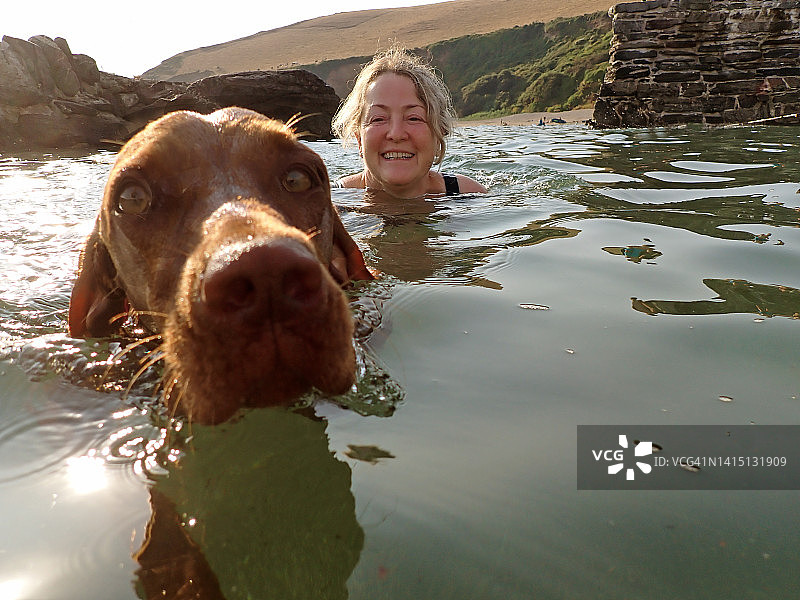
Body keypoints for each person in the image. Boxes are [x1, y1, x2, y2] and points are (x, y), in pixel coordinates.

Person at [332, 47, 487, 198]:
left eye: (413, 118)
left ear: (439, 133)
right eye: (378, 119)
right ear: (359, 139)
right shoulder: (330, 201)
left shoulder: (468, 195)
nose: (396, 134)